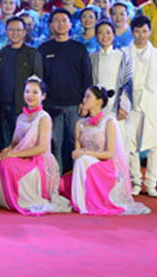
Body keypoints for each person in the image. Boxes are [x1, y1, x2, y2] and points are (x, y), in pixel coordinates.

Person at [60, 86, 150, 216]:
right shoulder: (80, 124)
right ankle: (81, 202)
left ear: (99, 102)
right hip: (85, 165)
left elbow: (110, 154)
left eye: (88, 96)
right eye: (84, 96)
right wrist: (78, 153)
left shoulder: (108, 122)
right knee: (74, 167)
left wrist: (86, 153)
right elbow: (77, 152)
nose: (84, 99)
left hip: (103, 166)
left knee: (82, 159)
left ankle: (86, 203)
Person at [0, 76, 71, 215]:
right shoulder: (21, 117)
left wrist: (15, 154)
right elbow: (15, 142)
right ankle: (12, 199)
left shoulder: (44, 117)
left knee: (10, 161)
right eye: (27, 91)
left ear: (43, 96)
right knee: (4, 160)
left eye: (35, 92)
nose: (30, 95)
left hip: (39, 161)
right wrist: (8, 149)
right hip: (23, 157)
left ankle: (23, 199)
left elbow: (41, 148)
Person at [38, 8, 93, 169]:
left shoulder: (79, 48)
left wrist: (85, 103)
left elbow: (87, 78)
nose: (60, 24)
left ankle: (78, 178)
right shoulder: (43, 49)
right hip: (52, 105)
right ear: (50, 25)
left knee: (77, 143)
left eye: (64, 21)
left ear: (70, 24)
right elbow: (40, 78)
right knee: (54, 144)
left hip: (75, 105)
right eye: (56, 21)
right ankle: (56, 178)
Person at [128, 15, 157, 197]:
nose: (141, 35)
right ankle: (136, 181)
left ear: (150, 32)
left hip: (152, 102)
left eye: (144, 31)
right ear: (132, 32)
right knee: (131, 144)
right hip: (131, 102)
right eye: (137, 31)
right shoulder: (124, 52)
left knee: (154, 145)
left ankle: (151, 183)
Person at [0, 16, 44, 151]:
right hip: (4, 107)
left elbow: (38, 81)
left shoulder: (32, 53)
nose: (14, 33)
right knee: (6, 145)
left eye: (18, 30)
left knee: (24, 145)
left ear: (24, 32)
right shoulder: (2, 53)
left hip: (24, 108)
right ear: (6, 32)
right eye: (11, 30)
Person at [90, 20, 133, 151]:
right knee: (99, 144)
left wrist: (124, 106)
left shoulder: (122, 56)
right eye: (100, 33)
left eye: (108, 33)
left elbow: (127, 83)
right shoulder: (92, 57)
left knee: (119, 144)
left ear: (114, 35)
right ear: (96, 36)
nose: (105, 36)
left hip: (116, 108)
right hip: (98, 108)